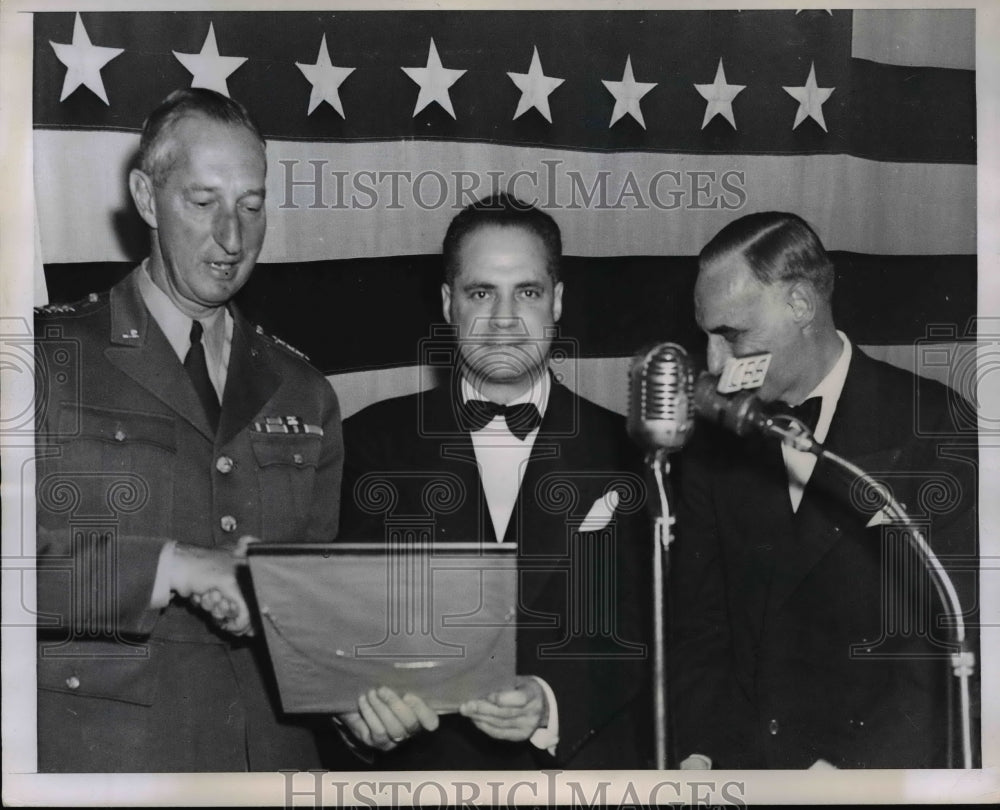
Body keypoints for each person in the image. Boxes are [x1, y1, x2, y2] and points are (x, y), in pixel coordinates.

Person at [34, 88, 343, 771]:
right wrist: (168, 566)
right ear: (147, 198)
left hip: (269, 765)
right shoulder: (43, 359)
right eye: (203, 204)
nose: (232, 238)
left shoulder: (304, 389)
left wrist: (363, 710)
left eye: (252, 206)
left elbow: (311, 620)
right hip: (111, 764)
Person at [334, 193, 651, 768]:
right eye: (482, 293)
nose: (504, 320)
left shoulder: (633, 452)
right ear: (448, 305)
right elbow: (341, 631)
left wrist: (550, 701)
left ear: (556, 303)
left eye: (526, 293)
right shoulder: (369, 443)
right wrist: (359, 725)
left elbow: (650, 632)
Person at [669, 211, 979, 769]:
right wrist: (700, 750)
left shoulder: (936, 428)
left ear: (800, 306)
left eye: (731, 335)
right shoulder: (714, 442)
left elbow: (954, 641)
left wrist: (854, 775)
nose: (714, 364)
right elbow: (698, 628)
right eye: (706, 338)